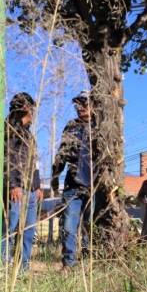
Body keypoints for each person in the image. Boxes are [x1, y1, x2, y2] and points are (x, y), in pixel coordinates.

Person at [51, 90, 94, 272]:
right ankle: (68, 263)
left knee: (90, 225)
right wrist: (55, 177)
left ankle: (89, 261)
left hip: (95, 185)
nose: (79, 107)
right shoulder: (71, 126)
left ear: (93, 105)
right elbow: (61, 154)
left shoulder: (101, 126)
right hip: (72, 184)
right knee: (69, 225)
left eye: (83, 103)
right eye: (77, 103)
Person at [3, 92, 42, 270]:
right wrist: (13, 185)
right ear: (25, 107)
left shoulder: (28, 135)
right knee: (8, 229)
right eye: (32, 108)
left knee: (28, 232)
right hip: (16, 189)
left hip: (30, 190)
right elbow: (6, 158)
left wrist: (37, 187)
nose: (34, 112)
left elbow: (33, 162)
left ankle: (23, 268)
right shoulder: (9, 129)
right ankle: (2, 265)